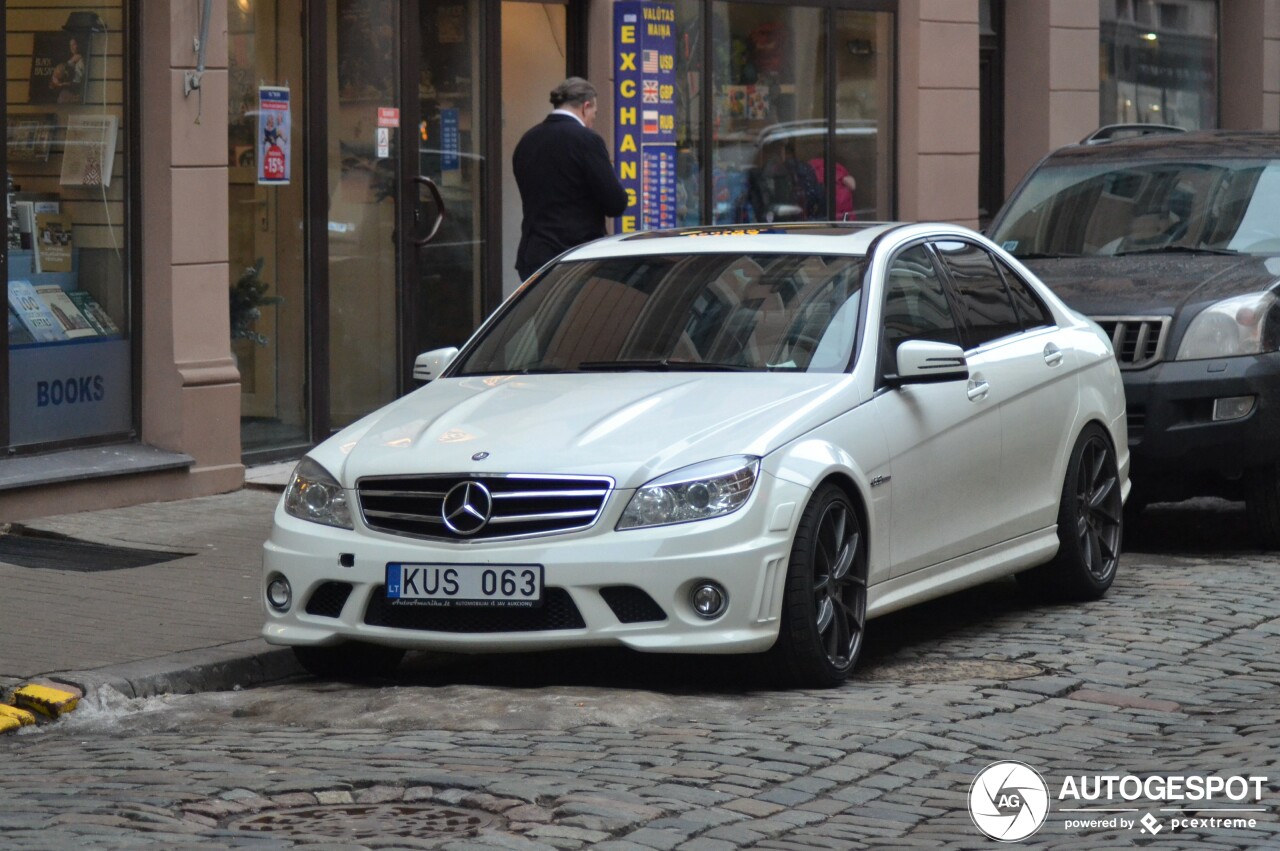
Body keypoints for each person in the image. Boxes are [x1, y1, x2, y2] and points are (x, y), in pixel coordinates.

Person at [513, 77, 628, 280]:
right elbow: (616, 204)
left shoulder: (527, 140)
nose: (592, 120)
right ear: (586, 107)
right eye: (594, 113)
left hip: (533, 256)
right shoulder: (586, 140)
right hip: (574, 257)